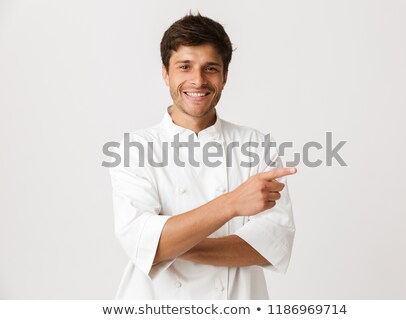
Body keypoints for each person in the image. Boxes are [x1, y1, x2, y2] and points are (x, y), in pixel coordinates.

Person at [109, 13, 297, 299]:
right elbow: (147, 244)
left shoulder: (256, 145)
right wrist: (233, 203)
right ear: (165, 73)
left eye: (210, 68)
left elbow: (270, 246)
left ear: (224, 77)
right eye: (185, 67)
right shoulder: (133, 148)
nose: (197, 80)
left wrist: (169, 242)